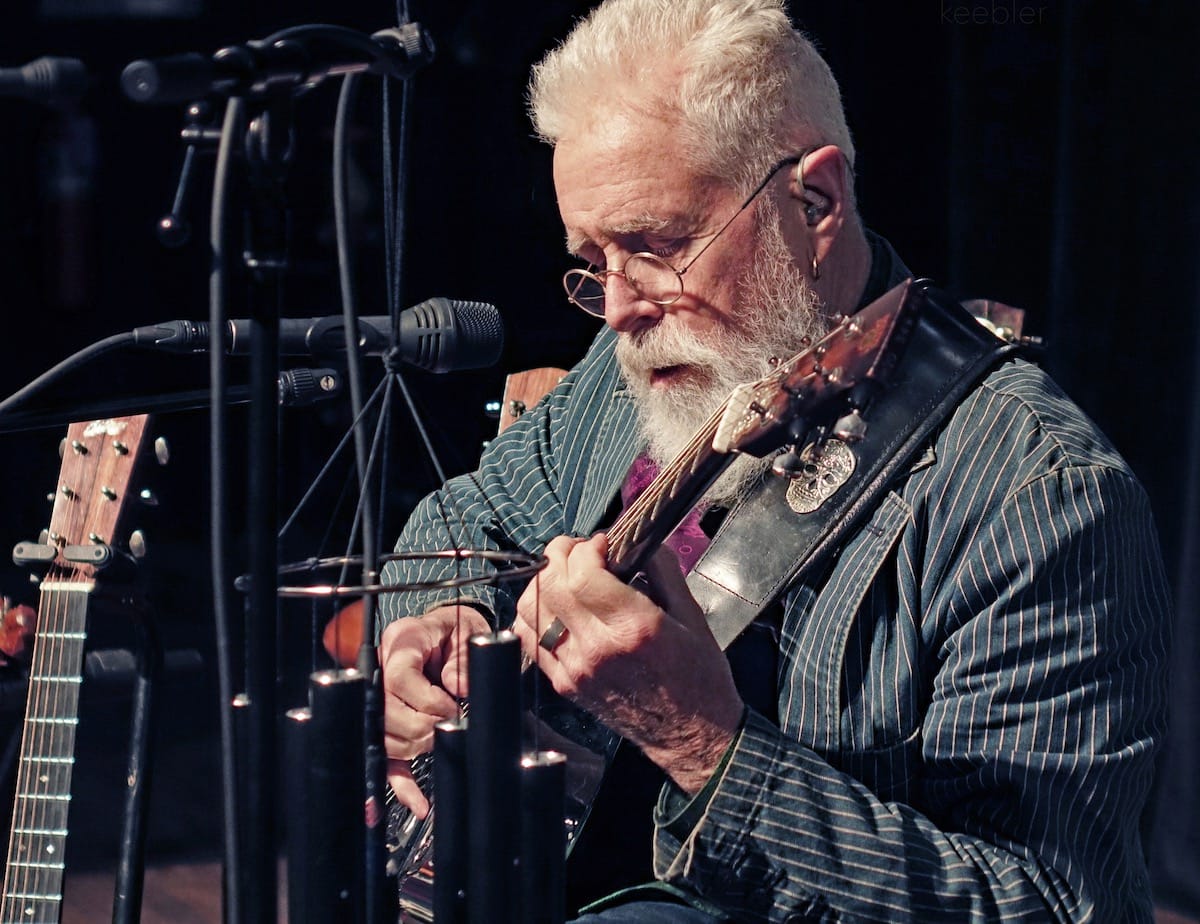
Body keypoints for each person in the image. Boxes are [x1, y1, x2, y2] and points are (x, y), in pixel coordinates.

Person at [377, 0, 1172, 920]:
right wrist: (442, 615)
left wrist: (703, 743)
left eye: (658, 245)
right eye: (593, 259)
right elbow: (465, 515)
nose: (620, 306)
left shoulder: (1042, 497)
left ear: (817, 201)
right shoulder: (635, 362)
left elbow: (1045, 904)